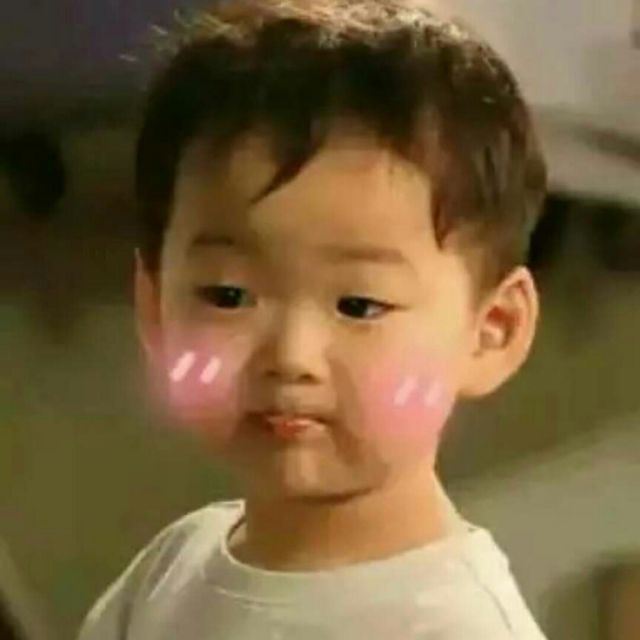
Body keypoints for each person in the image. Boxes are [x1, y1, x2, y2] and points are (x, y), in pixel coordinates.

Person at [79, 1, 548, 637]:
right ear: (154, 305)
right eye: (227, 295)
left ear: (493, 330)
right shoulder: (172, 567)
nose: (291, 356)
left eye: (359, 305)